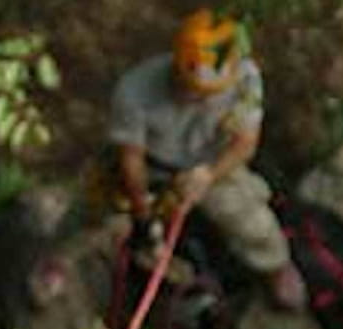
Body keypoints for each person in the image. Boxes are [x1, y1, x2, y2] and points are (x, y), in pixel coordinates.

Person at [108, 8, 306, 308]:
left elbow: (245, 143)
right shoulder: (136, 90)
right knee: (95, 212)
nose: (200, 99)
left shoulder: (245, 79)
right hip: (154, 164)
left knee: (251, 219)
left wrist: (208, 176)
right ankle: (59, 264)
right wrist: (144, 214)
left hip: (211, 164)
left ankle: (275, 264)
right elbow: (131, 158)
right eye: (192, 90)